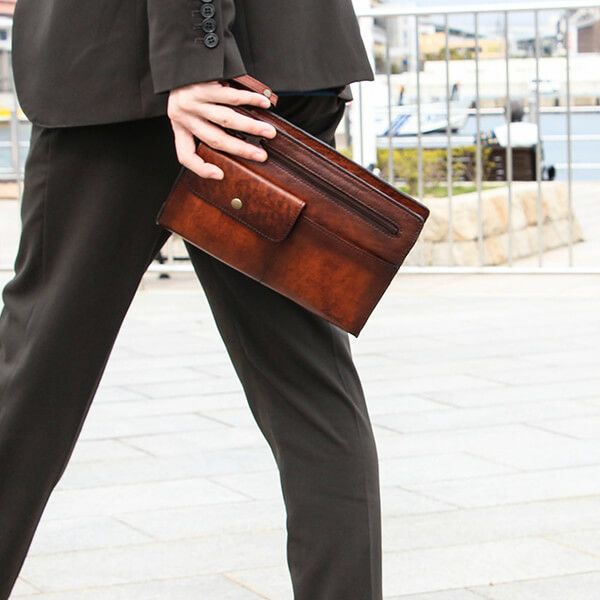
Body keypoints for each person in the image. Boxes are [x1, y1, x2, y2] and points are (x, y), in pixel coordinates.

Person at [0, 1, 383, 599]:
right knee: (307, 388)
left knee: (34, 374)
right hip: (272, 66)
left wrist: (195, 60)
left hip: (144, 76)